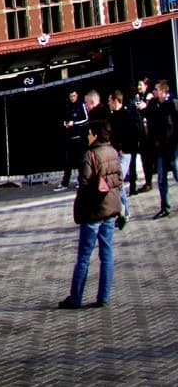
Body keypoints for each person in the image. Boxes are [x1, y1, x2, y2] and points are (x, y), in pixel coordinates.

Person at [59, 116, 122, 309]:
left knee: (84, 256)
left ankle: (76, 296)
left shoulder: (90, 155)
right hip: (110, 208)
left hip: (94, 211)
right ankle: (104, 296)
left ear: (95, 135)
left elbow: (84, 183)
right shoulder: (113, 151)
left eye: (88, 133)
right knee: (107, 254)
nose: (87, 136)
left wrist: (81, 207)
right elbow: (119, 179)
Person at [142, 80, 175, 218]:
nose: (153, 91)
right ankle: (165, 207)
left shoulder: (172, 104)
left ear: (163, 91)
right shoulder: (154, 104)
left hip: (173, 146)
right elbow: (147, 117)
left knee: (177, 172)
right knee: (161, 178)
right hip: (161, 147)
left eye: (156, 89)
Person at [107, 91, 139, 227]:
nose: (108, 103)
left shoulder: (126, 115)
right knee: (117, 183)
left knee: (117, 182)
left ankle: (125, 213)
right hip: (116, 154)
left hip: (125, 153)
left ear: (116, 101)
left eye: (110, 100)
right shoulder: (112, 116)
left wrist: (124, 148)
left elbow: (133, 133)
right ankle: (122, 212)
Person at [58, 88, 89, 190]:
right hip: (70, 138)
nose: (72, 98)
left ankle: (81, 181)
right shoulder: (68, 106)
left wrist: (74, 123)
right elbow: (63, 119)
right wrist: (65, 124)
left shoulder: (81, 105)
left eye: (74, 96)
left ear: (77, 96)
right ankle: (65, 183)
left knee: (81, 161)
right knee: (68, 162)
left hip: (80, 138)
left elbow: (86, 119)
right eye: (71, 96)